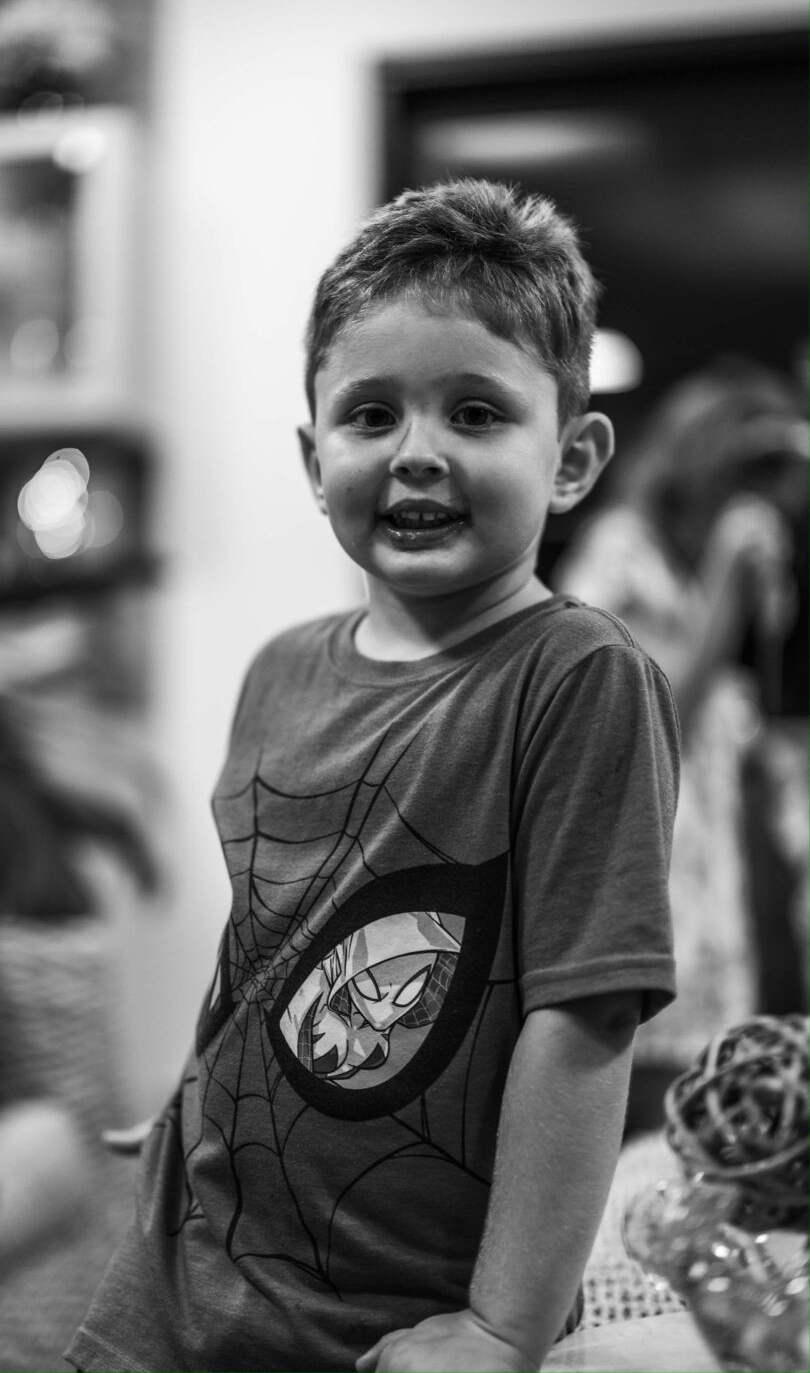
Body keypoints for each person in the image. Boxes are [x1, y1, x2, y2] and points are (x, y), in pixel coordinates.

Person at [66, 178, 679, 1373]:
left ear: (572, 459)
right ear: (315, 457)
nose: (418, 454)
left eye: (476, 413)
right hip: (186, 1248)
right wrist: (195, 1092)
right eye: (371, 414)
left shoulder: (578, 678)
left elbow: (585, 1020)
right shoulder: (279, 671)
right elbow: (265, 943)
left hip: (386, 1312)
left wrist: (503, 1328)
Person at [554, 358, 808, 1132]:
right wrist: (728, 587)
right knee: (637, 1137)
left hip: (710, 915)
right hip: (637, 915)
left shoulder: (692, 573)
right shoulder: (620, 553)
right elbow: (641, 713)